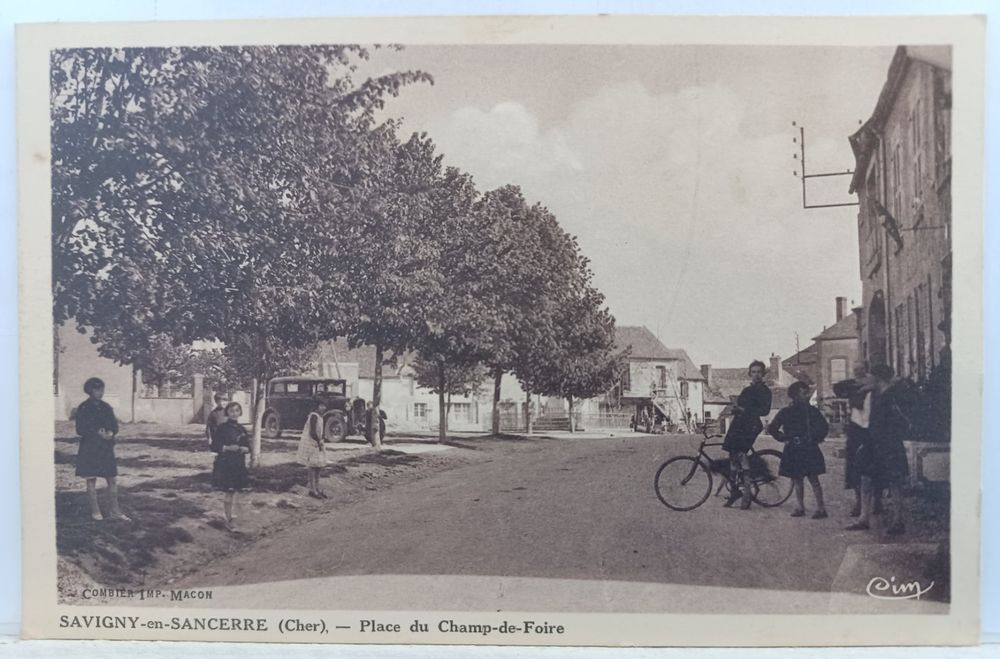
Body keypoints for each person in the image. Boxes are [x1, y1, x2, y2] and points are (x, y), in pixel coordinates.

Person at [846, 363, 910, 535]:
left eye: (869, 376)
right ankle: (863, 518)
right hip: (873, 444)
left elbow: (901, 421)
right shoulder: (875, 395)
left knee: (894, 482)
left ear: (877, 378)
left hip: (889, 444)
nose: (866, 379)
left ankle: (898, 521)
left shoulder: (892, 396)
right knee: (866, 479)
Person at [768, 381, 830, 519]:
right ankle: (800, 507)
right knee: (797, 479)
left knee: (813, 479)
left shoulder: (812, 412)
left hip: (809, 448)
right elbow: (772, 428)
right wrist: (784, 438)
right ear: (794, 395)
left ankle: (821, 509)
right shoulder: (786, 412)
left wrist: (814, 439)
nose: (806, 395)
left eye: (807, 392)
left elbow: (824, 428)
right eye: (803, 393)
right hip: (793, 449)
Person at [74, 377, 129, 521]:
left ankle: (115, 511)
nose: (100, 392)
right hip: (90, 448)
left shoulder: (106, 407)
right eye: (96, 389)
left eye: (102, 389)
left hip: (105, 448)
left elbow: (114, 426)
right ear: (89, 390)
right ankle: (95, 511)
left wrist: (111, 433)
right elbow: (80, 429)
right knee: (91, 479)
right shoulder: (83, 408)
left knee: (112, 479)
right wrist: (97, 433)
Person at [721, 360, 772, 509]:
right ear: (750, 373)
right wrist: (736, 409)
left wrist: (745, 411)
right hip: (739, 423)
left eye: (759, 372)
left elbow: (764, 410)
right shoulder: (746, 390)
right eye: (753, 372)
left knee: (741, 454)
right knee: (732, 456)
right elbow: (741, 405)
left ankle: (747, 493)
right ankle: (735, 491)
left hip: (751, 425)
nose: (756, 375)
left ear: (763, 374)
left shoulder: (764, 391)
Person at [210, 401, 251, 532]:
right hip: (226, 463)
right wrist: (228, 448)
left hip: (238, 463)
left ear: (240, 413)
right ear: (227, 412)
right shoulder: (222, 428)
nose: (234, 413)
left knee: (236, 491)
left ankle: (234, 516)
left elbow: (248, 447)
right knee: (229, 491)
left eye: (237, 411)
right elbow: (214, 446)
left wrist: (244, 449)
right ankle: (228, 518)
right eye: (232, 411)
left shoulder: (242, 429)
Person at [296, 401, 329, 499]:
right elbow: (313, 432)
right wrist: (319, 441)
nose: (323, 408)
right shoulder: (313, 416)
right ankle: (312, 489)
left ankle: (317, 488)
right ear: (317, 407)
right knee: (312, 465)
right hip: (311, 442)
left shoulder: (321, 417)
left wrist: (322, 439)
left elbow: (320, 431)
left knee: (318, 465)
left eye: (324, 406)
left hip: (317, 442)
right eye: (321, 406)